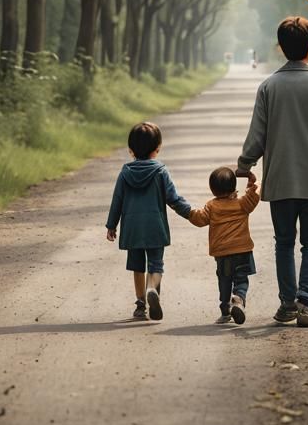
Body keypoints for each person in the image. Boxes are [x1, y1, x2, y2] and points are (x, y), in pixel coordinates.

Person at [236, 15, 308, 329]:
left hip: (282, 180)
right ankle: (306, 301)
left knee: (284, 243)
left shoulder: (268, 87)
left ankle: (287, 304)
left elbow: (256, 136)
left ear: (279, 47)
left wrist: (244, 165)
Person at [105, 121, 191, 321]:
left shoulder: (125, 173)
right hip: (155, 226)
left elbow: (117, 199)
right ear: (157, 148)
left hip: (132, 228)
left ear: (131, 150)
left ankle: (141, 303)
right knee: (155, 264)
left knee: (137, 266)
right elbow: (173, 198)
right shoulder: (160, 171)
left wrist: (111, 225)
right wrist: (190, 213)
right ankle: (152, 289)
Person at [188, 167, 260, 324]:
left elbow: (199, 219)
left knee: (224, 279)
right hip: (242, 250)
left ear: (212, 190)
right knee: (241, 279)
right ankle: (239, 299)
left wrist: (187, 211)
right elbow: (254, 197)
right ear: (234, 187)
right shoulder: (242, 204)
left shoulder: (212, 206)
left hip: (222, 253)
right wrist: (251, 182)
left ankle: (225, 310)